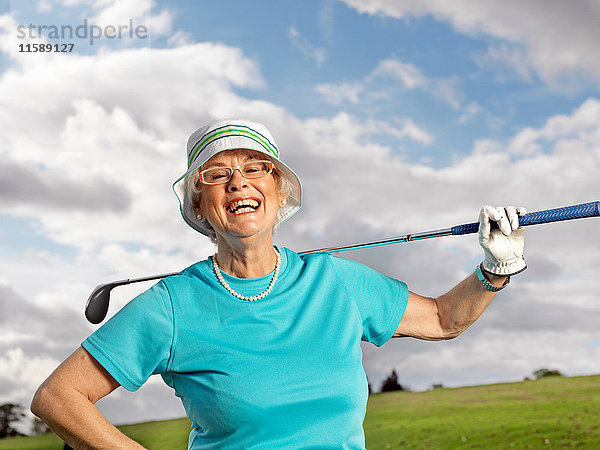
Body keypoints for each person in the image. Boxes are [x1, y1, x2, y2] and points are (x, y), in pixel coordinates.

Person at [31, 119, 527, 449]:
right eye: (217, 174)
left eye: (255, 169)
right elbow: (58, 398)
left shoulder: (336, 281)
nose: (239, 182)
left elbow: (443, 320)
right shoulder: (172, 306)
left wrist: (494, 271)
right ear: (199, 206)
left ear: (279, 191)